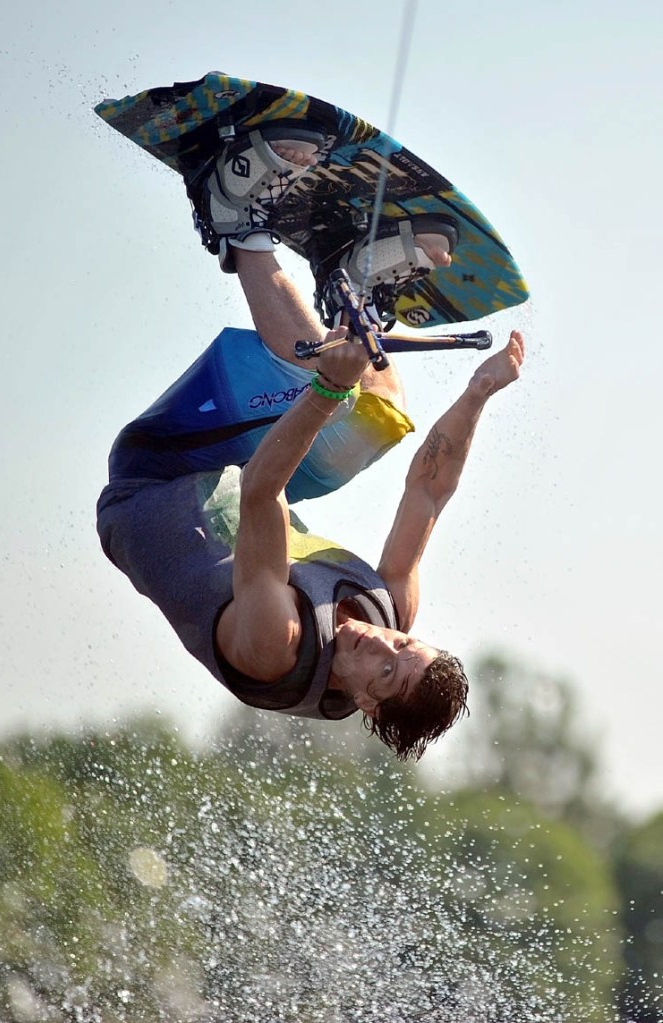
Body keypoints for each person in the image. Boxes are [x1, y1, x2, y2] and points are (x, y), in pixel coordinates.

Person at [97, 131, 524, 760]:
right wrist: (478, 395)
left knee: (330, 390)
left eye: (384, 673)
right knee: (379, 417)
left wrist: (328, 387)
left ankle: (237, 222)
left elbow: (263, 493)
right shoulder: (389, 612)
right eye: (404, 648)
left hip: (156, 474)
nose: (382, 648)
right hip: (228, 472)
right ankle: (354, 293)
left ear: (368, 705)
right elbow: (428, 490)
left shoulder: (277, 646)